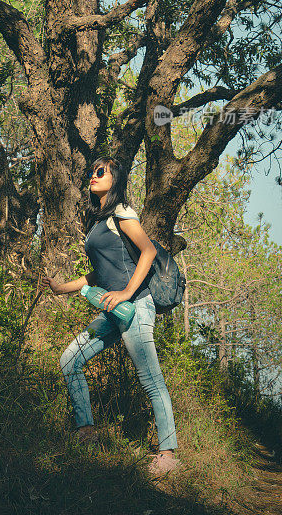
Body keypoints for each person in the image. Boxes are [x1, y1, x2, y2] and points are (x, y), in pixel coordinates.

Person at [41, 157, 179, 476]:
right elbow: (97, 274)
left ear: (114, 179)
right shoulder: (99, 221)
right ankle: (87, 432)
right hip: (111, 310)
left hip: (135, 308)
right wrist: (61, 288)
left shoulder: (122, 212)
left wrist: (128, 292)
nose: (94, 175)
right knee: (69, 360)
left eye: (100, 172)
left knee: (151, 379)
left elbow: (148, 251)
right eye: (92, 171)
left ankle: (168, 455)